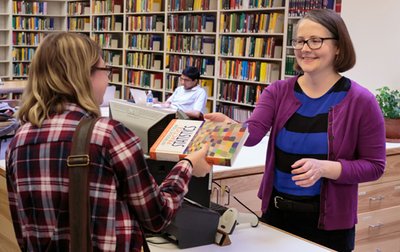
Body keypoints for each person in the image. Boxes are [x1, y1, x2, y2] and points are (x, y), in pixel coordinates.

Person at [6, 32, 212, 251]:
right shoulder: (109, 135)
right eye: (106, 70)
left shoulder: (19, 140)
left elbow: (22, 228)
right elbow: (157, 217)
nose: (108, 79)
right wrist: (187, 165)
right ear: (84, 75)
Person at [205, 9, 386, 252]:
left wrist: (325, 168)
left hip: (330, 228)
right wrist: (230, 127)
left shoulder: (361, 101)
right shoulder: (277, 91)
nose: (304, 48)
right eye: (299, 41)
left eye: (315, 40)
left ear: (339, 47)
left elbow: (375, 165)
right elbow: (253, 133)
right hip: (276, 217)